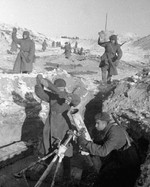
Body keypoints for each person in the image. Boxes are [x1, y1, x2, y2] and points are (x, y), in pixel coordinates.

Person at [78, 112, 140, 187]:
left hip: (129, 158)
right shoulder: (110, 129)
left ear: (104, 123)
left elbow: (103, 151)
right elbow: (105, 143)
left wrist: (86, 143)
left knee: (122, 179)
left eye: (98, 123)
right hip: (121, 153)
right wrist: (90, 144)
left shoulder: (113, 133)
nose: (95, 125)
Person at [34, 74, 80, 155]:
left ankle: (66, 164)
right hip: (50, 123)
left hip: (63, 124)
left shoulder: (67, 96)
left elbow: (77, 100)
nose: (59, 90)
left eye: (61, 88)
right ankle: (49, 160)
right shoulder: (52, 96)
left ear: (64, 88)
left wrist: (70, 97)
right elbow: (40, 93)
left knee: (64, 145)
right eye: (58, 88)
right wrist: (39, 83)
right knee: (49, 143)